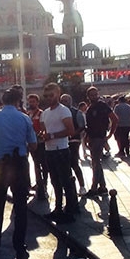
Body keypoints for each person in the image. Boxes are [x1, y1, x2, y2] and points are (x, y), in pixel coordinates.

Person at [0, 88, 37, 259]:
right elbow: (33, 145)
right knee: (20, 207)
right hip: (19, 165)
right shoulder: (24, 118)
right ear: (18, 101)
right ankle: (19, 246)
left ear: (2, 101)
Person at [40, 83, 77, 223]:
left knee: (65, 180)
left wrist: (52, 135)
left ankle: (70, 211)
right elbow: (44, 130)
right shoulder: (45, 113)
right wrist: (43, 136)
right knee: (54, 181)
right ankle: (58, 208)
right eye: (46, 96)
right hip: (49, 150)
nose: (49, 98)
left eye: (51, 95)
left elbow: (71, 130)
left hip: (61, 150)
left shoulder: (63, 111)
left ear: (58, 94)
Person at [84, 86, 118, 197]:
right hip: (92, 137)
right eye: (91, 95)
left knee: (95, 162)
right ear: (88, 96)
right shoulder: (90, 108)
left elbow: (115, 119)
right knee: (96, 162)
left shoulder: (102, 106)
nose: (94, 97)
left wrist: (110, 134)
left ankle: (94, 188)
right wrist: (87, 137)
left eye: (95, 94)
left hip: (99, 137)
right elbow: (89, 124)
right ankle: (102, 187)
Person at [59, 93, 87, 196]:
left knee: (74, 163)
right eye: (62, 100)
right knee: (64, 165)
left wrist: (73, 133)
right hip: (61, 141)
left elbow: (82, 126)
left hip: (73, 141)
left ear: (70, 101)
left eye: (66, 100)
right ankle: (68, 187)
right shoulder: (58, 112)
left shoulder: (76, 112)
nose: (64, 102)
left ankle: (82, 186)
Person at [26, 93, 49, 199]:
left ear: (37, 102)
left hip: (40, 143)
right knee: (35, 163)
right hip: (31, 143)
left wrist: (39, 135)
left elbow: (44, 127)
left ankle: (44, 183)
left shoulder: (41, 113)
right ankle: (38, 182)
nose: (31, 103)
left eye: (33, 101)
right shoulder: (28, 114)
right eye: (30, 102)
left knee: (43, 164)